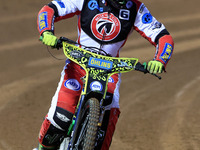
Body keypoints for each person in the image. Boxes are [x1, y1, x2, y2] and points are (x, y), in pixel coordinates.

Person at [35, 0, 174, 149]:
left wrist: (160, 60)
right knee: (60, 119)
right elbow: (50, 9)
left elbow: (163, 36)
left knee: (107, 122)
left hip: (110, 70)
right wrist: (46, 31)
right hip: (78, 64)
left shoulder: (135, 8)